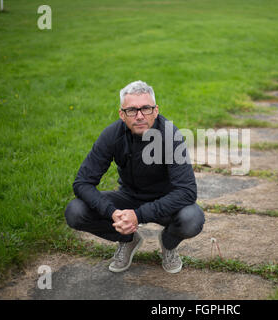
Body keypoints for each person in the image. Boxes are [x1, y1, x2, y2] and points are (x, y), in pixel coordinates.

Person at [64, 80, 205, 274]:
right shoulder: (112, 135)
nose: (139, 116)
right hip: (128, 198)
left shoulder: (171, 135)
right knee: (75, 211)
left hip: (165, 201)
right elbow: (82, 182)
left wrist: (138, 216)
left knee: (192, 218)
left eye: (146, 109)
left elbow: (187, 192)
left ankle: (168, 244)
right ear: (122, 115)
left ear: (156, 111)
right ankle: (127, 239)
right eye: (131, 110)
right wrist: (113, 212)